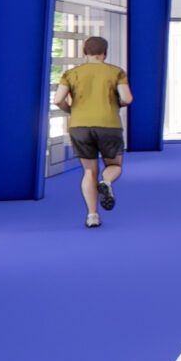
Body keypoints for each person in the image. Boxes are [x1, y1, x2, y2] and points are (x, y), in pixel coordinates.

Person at [55, 34, 130, 229]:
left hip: (79, 126)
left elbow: (58, 100)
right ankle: (106, 182)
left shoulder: (70, 74)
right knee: (114, 165)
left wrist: (71, 110)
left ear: (84, 52)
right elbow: (127, 99)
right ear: (105, 53)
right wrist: (115, 103)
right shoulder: (116, 72)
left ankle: (92, 216)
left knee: (89, 171)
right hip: (109, 125)